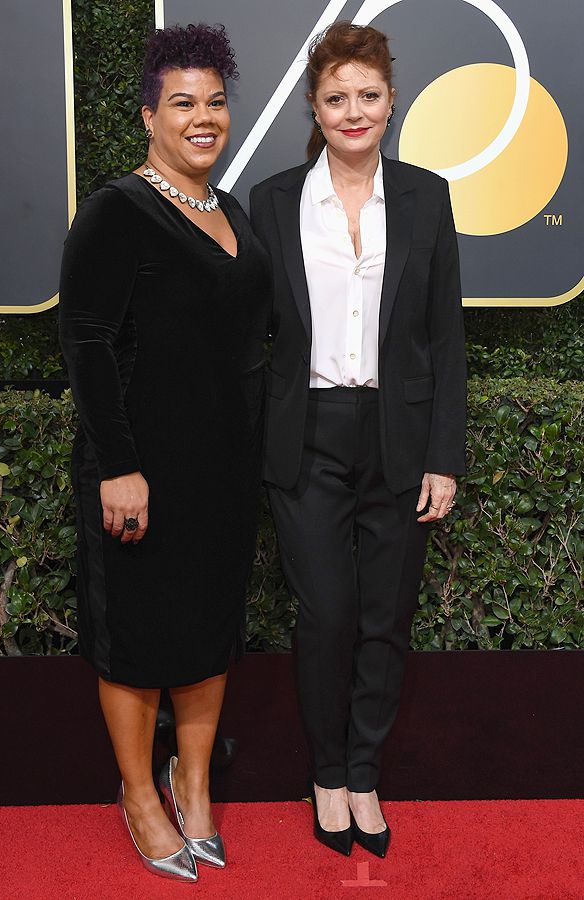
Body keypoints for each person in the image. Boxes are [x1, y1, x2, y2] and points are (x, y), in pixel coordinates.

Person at [250, 21, 466, 858]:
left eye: (367, 96)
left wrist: (445, 455)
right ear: (313, 105)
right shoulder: (271, 202)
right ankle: (326, 773)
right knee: (328, 612)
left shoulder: (427, 196)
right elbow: (250, 335)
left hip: (400, 434)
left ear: (391, 100)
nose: (352, 111)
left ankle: (366, 773)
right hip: (305, 434)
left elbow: (445, 337)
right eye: (336, 98)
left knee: (386, 617)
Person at [59, 23, 269, 883]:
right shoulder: (117, 209)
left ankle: (196, 788)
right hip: (140, 471)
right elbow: (86, 339)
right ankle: (140, 795)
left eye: (215, 102)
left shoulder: (230, 209)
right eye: (183, 102)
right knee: (140, 639)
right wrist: (118, 464)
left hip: (224, 473)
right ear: (150, 115)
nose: (203, 118)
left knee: (208, 632)